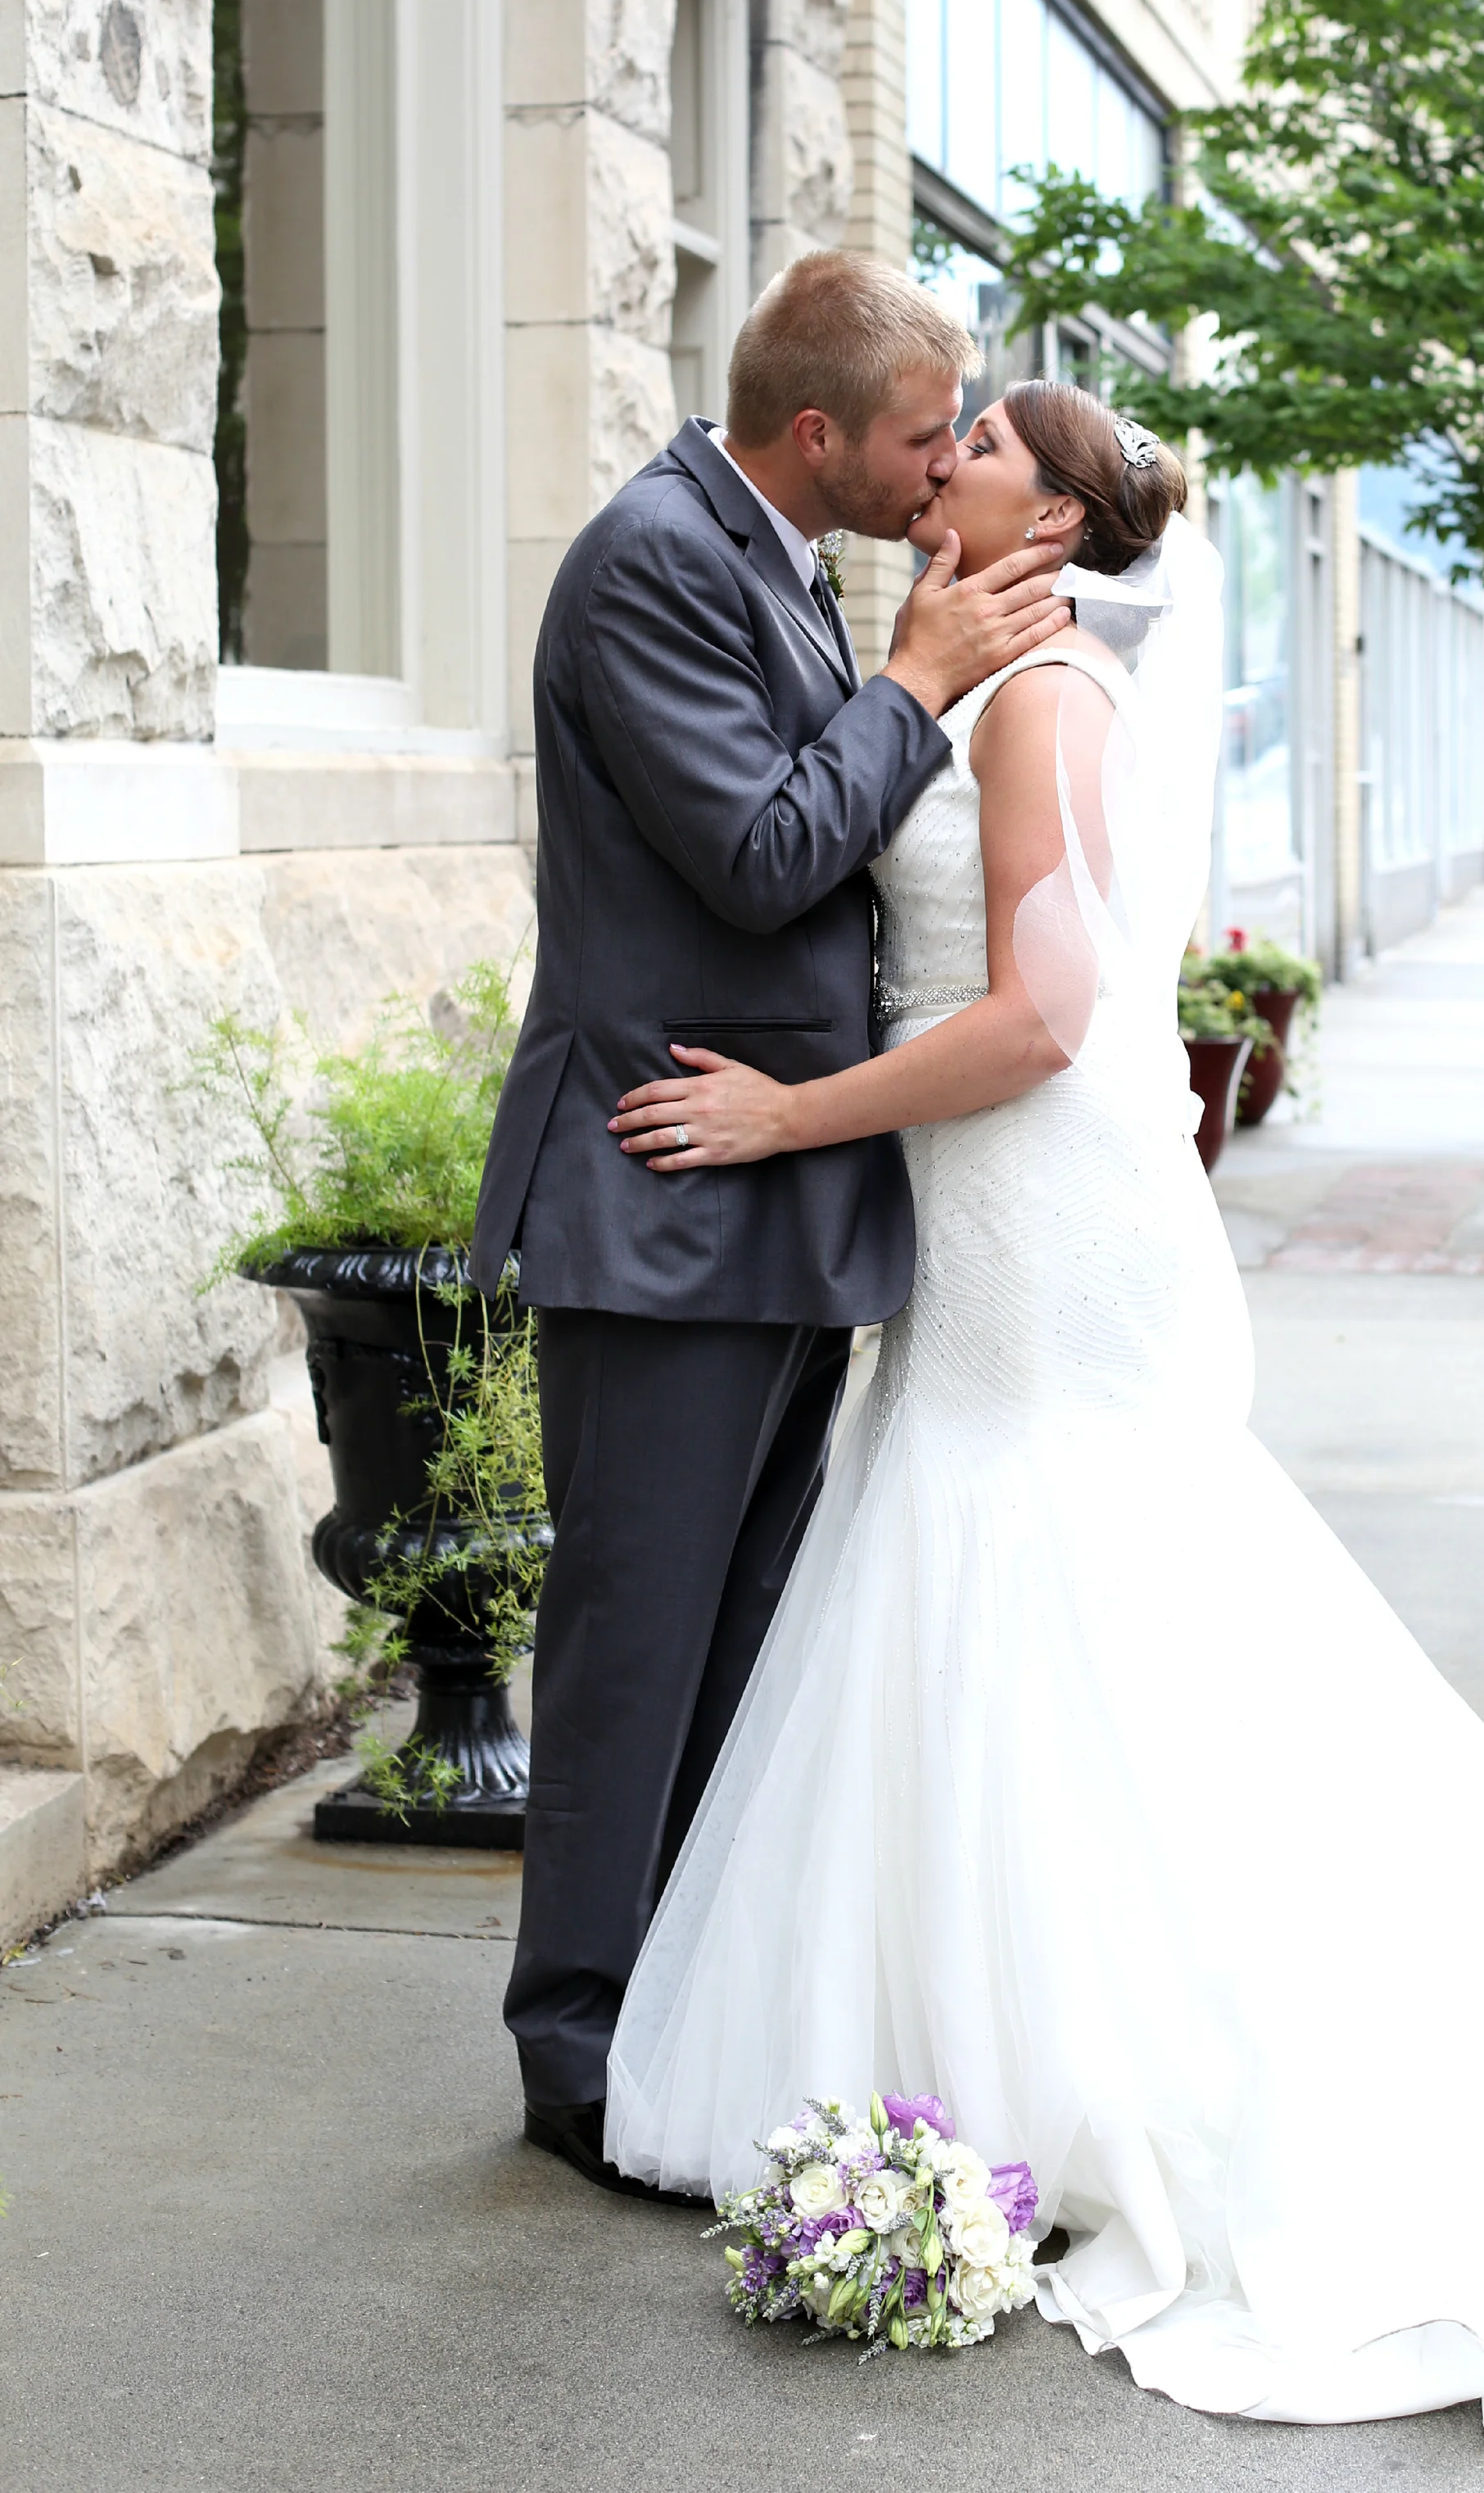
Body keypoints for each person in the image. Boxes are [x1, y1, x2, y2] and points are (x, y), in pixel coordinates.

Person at [598, 377, 1484, 2450]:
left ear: (1056, 521)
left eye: (984, 445)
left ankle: (1100, 2065)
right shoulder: (982, 670)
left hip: (1041, 1206)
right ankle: (988, 2056)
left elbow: (1041, 1016)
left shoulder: (1034, 701)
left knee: (1043, 1586)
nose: (945, 461)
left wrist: (782, 1117)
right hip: (1002, 1220)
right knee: (984, 1592)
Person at [471, 255, 1072, 2190]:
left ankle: (676, 2023)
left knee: (735, 1641)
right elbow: (754, 860)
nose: (932, 474)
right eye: (918, 436)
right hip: (669, 1190)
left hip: (782, 1193)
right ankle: (577, 2059)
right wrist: (917, 682)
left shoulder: (781, 556)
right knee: (636, 1639)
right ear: (814, 431)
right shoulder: (650, 559)